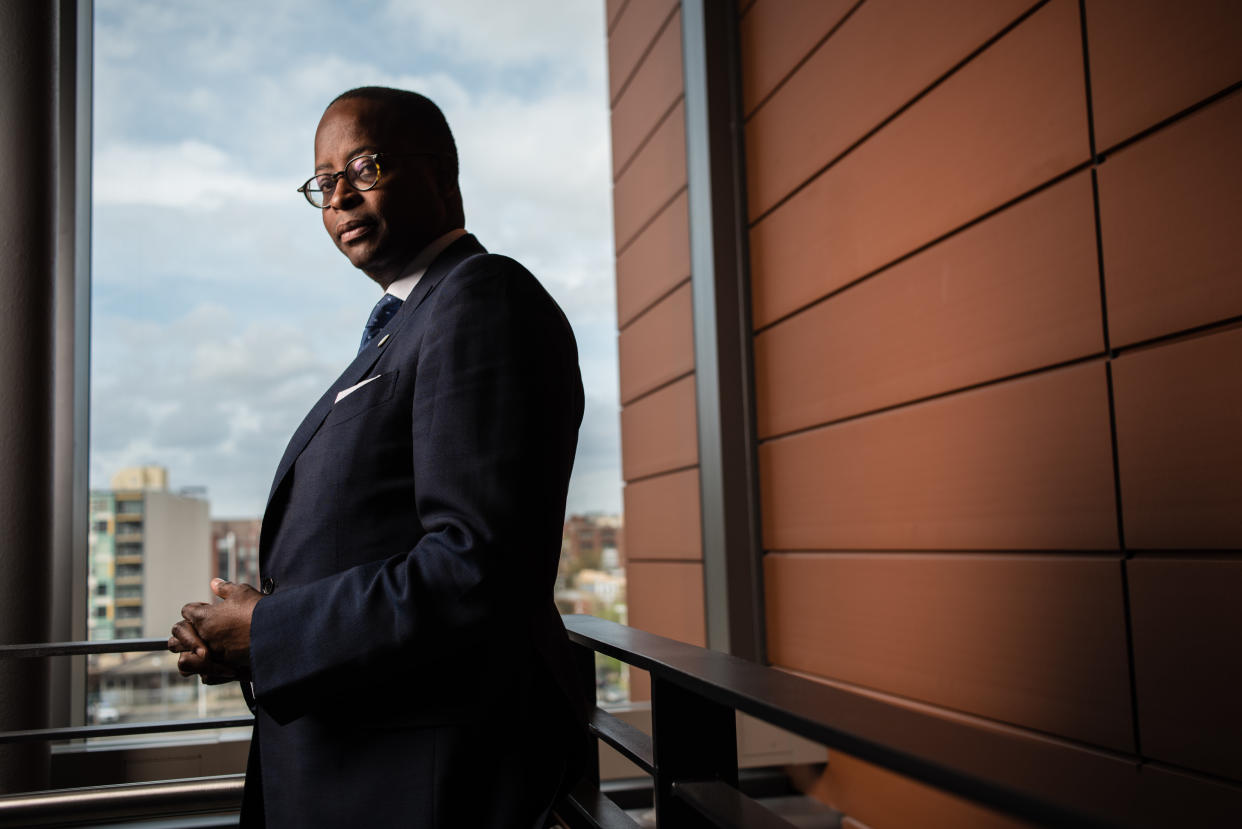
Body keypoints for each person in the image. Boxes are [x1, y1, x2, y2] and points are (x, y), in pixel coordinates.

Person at [168, 86, 589, 828]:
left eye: (363, 166)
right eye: (323, 182)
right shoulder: (403, 325)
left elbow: (476, 566)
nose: (339, 197)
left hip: (417, 786)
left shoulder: (480, 298)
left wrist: (268, 629)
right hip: (348, 765)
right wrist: (240, 635)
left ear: (442, 175)